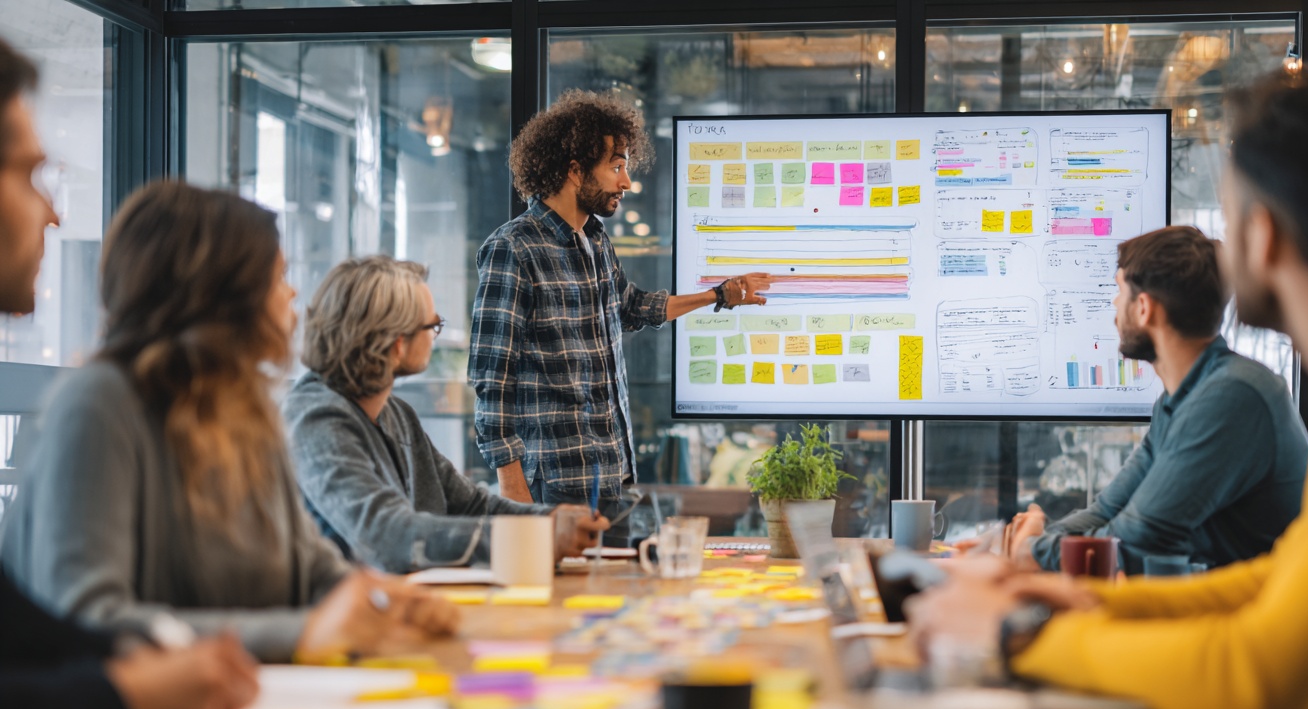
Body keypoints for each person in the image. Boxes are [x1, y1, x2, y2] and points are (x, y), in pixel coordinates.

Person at [909, 67, 1308, 709]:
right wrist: (1073, 606)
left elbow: (1270, 678)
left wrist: (1017, 635)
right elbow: (1283, 583)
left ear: (1263, 237)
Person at [1, 179, 460, 666]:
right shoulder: (100, 404)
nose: (293, 292)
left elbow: (308, 566)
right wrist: (298, 635)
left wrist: (387, 601)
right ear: (221, 292)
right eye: (276, 275)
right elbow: (90, 617)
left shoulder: (247, 411)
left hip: (238, 705)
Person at [0, 37, 258, 709]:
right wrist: (120, 699)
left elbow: (18, 630)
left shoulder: (244, 414)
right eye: (24, 174)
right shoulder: (101, 402)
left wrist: (134, 659)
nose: (52, 213)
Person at [471, 89, 771, 519]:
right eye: (615, 167)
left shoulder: (595, 240)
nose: (626, 182)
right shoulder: (512, 249)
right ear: (575, 170)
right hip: (552, 484)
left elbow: (629, 307)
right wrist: (513, 492)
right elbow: (490, 380)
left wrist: (717, 296)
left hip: (610, 473)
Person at [981, 225, 1308, 575]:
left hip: (1274, 612)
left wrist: (1033, 548)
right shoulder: (1180, 400)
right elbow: (1108, 510)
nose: (1113, 304)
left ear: (1143, 308)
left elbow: (1139, 539)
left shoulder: (1233, 396)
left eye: (1119, 291)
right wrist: (1034, 541)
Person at [283, 255, 610, 572]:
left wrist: (549, 520)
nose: (435, 336)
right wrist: (532, 537)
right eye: (433, 325)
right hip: (346, 620)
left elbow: (470, 505)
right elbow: (389, 537)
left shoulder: (396, 413)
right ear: (397, 344)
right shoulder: (317, 418)